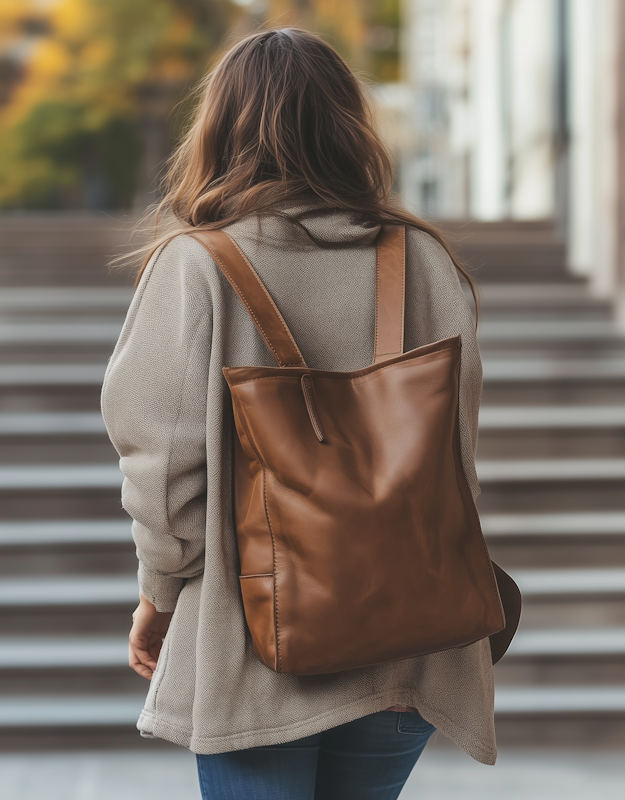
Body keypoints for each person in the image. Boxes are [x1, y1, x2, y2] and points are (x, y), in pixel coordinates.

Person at [102, 27, 494, 800]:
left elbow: (166, 470)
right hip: (408, 643)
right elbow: (454, 452)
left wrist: (160, 596)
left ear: (219, 127)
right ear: (350, 126)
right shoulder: (423, 260)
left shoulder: (196, 266)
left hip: (257, 650)